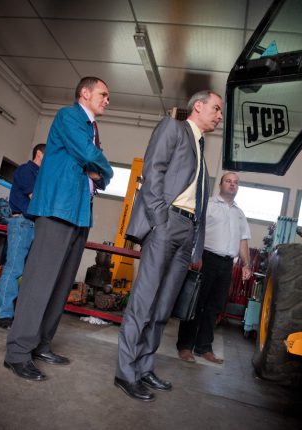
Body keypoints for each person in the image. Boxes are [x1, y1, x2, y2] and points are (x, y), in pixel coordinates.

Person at [114, 90, 223, 402]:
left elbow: (200, 201)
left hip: (187, 231)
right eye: (215, 108)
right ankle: (126, 372)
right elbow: (153, 172)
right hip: (166, 224)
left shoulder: (202, 146)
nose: (219, 115)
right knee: (144, 302)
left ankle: (145, 366)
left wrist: (196, 246)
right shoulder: (173, 129)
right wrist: (160, 219)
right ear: (198, 106)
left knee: (162, 308)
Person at [4, 76, 114, 381]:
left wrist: (99, 172)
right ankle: (17, 353)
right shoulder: (70, 117)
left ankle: (40, 344)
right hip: (57, 210)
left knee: (61, 285)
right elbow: (91, 158)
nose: (107, 100)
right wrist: (104, 168)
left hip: (79, 214)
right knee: (39, 284)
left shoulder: (92, 128)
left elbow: (99, 175)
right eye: (103, 94)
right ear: (85, 93)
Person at [176, 172, 252, 364]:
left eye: (236, 182)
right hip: (206, 260)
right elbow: (195, 231)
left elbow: (243, 241)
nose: (232, 185)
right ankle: (185, 346)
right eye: (228, 181)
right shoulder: (208, 205)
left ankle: (204, 348)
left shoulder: (239, 213)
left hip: (227, 264)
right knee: (195, 304)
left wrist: (247, 264)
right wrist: (196, 255)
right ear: (220, 184)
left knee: (214, 308)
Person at [0, 144, 45, 329]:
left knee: (11, 270)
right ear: (39, 153)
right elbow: (36, 197)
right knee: (14, 270)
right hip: (22, 223)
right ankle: (5, 314)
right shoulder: (26, 170)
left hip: (29, 224)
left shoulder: (39, 174)